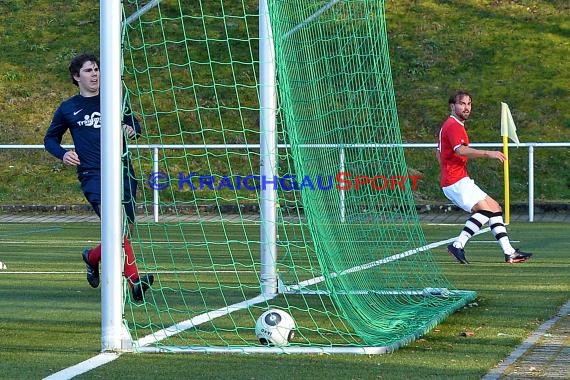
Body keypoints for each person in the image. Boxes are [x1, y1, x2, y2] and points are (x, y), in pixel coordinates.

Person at [44, 52, 153, 301]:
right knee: (114, 224)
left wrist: (130, 129)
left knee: (125, 230)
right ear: (76, 77)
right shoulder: (68, 109)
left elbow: (135, 125)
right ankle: (135, 281)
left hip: (123, 172)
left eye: (96, 69)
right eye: (88, 70)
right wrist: (62, 154)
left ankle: (92, 257)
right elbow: (49, 139)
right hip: (93, 175)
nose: (94, 74)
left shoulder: (115, 99)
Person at [436, 90, 533, 264]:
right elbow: (460, 150)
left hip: (457, 178)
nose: (466, 107)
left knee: (494, 208)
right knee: (484, 211)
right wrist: (488, 153)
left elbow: (439, 153)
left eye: (469, 104)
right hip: (455, 180)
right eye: (462, 104)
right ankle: (458, 244)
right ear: (452, 106)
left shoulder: (452, 125)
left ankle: (509, 252)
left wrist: (447, 167)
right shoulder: (453, 126)